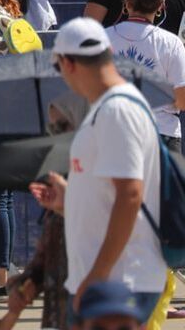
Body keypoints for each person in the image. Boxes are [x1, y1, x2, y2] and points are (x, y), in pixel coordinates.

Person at [31, 19, 165, 325]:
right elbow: (115, 192)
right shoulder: (110, 108)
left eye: (59, 69)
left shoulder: (118, 110)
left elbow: (130, 196)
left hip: (116, 283)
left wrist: (97, 275)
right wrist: (69, 199)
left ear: (67, 63)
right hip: (108, 280)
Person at [101, 0, 185, 152]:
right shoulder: (172, 44)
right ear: (161, 5)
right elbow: (182, 99)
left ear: (126, 2)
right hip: (162, 134)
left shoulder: (102, 39)